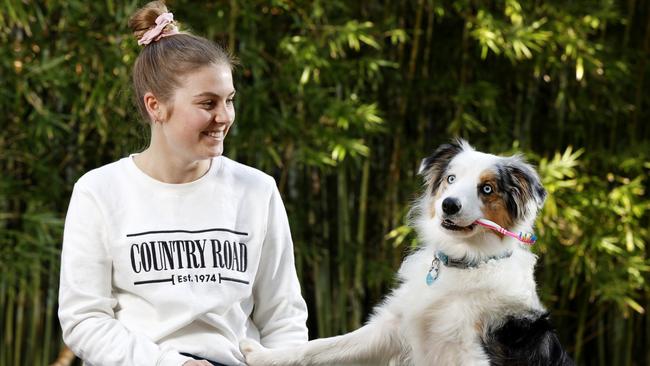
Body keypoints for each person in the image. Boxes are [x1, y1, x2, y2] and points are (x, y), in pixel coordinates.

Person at [57, 2, 308, 365]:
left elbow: (283, 317)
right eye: (207, 103)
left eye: (229, 100)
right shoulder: (99, 191)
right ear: (155, 106)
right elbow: (84, 319)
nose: (223, 117)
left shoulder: (257, 190)